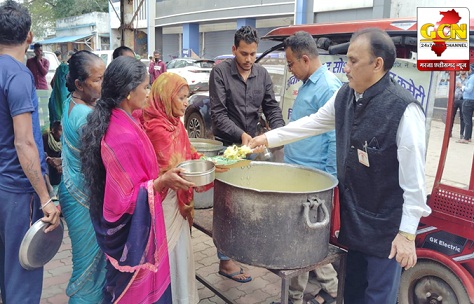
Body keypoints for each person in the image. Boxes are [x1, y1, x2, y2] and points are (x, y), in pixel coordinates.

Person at [249, 28, 432, 304]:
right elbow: (311, 123)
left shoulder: (404, 110)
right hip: (355, 220)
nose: (345, 68)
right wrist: (267, 138)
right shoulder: (346, 96)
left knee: (378, 298)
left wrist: (407, 234)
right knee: (352, 292)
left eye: (353, 61)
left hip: (386, 231)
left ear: (377, 64)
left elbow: (415, 182)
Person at [81, 56, 194, 303]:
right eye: (145, 86)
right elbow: (123, 200)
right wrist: (162, 183)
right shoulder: (123, 135)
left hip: (142, 222)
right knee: (134, 292)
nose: (149, 92)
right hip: (133, 233)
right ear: (129, 93)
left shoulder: (124, 119)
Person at [209, 25, 285, 283]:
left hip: (251, 149)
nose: (249, 60)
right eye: (244, 54)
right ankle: (225, 260)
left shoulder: (261, 75)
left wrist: (280, 134)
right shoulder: (220, 72)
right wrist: (242, 134)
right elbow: (218, 116)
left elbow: (271, 108)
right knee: (226, 206)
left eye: (253, 54)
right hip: (225, 148)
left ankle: (242, 249)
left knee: (246, 203)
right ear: (234, 50)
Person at [0, 1, 61, 303]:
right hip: (18, 191)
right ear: (29, 35)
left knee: (6, 270)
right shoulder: (18, 76)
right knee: (22, 276)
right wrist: (45, 197)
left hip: (2, 186)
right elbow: (23, 143)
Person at [277, 31, 341, 304]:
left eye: (291, 63)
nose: (290, 68)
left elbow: (335, 137)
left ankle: (333, 290)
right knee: (300, 243)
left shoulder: (328, 86)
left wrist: (326, 179)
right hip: (297, 172)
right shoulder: (308, 82)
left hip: (312, 179)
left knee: (303, 244)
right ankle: (297, 296)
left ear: (305, 58)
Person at [135, 71, 208, 303]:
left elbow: (187, 154)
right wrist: (201, 169)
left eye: (188, 97)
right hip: (165, 200)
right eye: (181, 97)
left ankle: (181, 295)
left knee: (180, 253)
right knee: (171, 253)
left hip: (176, 201)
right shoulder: (156, 128)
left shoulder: (174, 122)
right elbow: (174, 168)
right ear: (165, 97)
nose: (186, 103)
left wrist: (203, 159)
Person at [58, 50, 107, 302]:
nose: (103, 84)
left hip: (71, 190)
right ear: (79, 84)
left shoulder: (72, 101)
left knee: (91, 267)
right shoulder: (86, 116)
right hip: (82, 199)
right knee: (87, 273)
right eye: (97, 80)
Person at [42, 121, 63, 196]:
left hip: (58, 168)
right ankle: (50, 189)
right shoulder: (45, 138)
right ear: (54, 130)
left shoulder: (64, 141)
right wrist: (49, 160)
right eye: (60, 130)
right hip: (49, 166)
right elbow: (42, 154)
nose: (62, 133)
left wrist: (60, 163)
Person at [450, 70, 469, 140]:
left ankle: (462, 133)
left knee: (463, 118)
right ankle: (449, 132)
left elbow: (468, 89)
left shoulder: (469, 79)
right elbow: (452, 88)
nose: (462, 71)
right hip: (455, 99)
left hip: (463, 99)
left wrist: (461, 86)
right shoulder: (456, 78)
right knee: (451, 116)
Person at [458, 65, 474, 144]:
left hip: (468, 100)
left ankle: (466, 138)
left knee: (467, 120)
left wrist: (462, 86)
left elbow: (469, 90)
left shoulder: (471, 78)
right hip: (471, 100)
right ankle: (469, 137)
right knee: (469, 120)